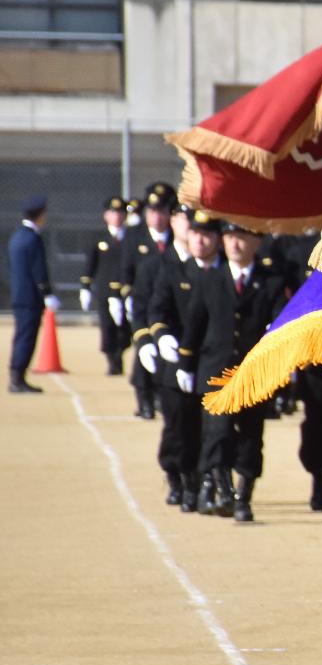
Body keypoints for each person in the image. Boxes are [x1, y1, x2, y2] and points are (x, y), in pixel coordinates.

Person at [191, 221, 289, 521]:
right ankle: (222, 491)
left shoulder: (270, 281)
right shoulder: (210, 279)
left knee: (250, 435)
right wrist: (185, 363)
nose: (235, 244)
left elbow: (279, 324)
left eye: (243, 238)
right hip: (216, 369)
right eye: (230, 238)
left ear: (257, 243)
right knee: (217, 433)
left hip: (254, 373)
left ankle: (244, 496)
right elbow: (196, 324)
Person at [137, 207, 222, 510]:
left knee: (207, 427)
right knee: (177, 424)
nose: (195, 233)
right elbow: (153, 308)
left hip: (207, 360)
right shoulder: (167, 268)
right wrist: (156, 338)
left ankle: (202, 481)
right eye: (187, 222)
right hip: (174, 361)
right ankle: (177, 476)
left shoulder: (218, 269)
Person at [121, 185, 177, 418]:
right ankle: (144, 400)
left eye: (162, 211)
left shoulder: (177, 238)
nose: (157, 216)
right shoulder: (135, 237)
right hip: (142, 301)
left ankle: (161, 397)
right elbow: (125, 271)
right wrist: (123, 297)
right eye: (153, 211)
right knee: (144, 349)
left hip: (169, 304)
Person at [8, 195, 56, 394]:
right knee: (27, 338)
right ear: (40, 215)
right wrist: (47, 292)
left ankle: (16, 375)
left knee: (21, 336)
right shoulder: (33, 239)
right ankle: (18, 378)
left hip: (19, 295)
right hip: (30, 298)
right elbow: (39, 269)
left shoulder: (17, 237)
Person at [81, 195, 129, 376]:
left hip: (125, 292)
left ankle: (120, 354)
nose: (116, 216)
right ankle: (113, 361)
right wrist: (85, 286)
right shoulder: (98, 239)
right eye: (112, 212)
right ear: (106, 216)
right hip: (104, 292)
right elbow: (90, 265)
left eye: (120, 213)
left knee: (125, 330)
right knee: (107, 328)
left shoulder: (131, 239)